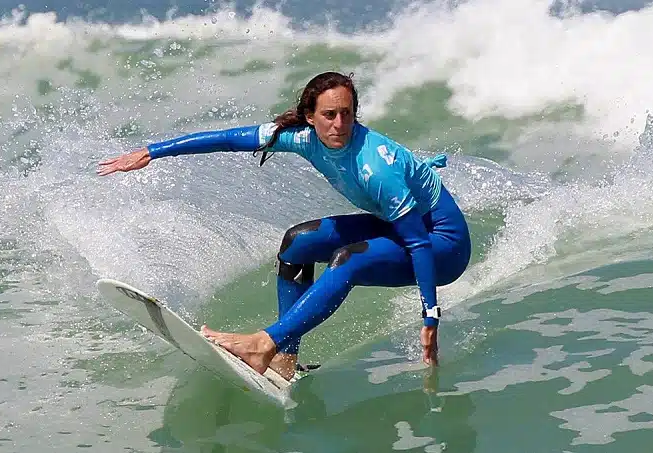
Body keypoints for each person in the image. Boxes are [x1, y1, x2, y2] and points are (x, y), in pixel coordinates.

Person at [97, 72, 471, 381]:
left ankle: (263, 344)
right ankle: (284, 360)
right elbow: (229, 139)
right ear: (310, 116)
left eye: (346, 114)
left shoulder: (377, 168)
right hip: (397, 229)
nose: (339, 124)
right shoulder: (302, 139)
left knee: (347, 259)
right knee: (297, 243)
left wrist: (430, 316)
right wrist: (152, 152)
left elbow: (419, 245)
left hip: (442, 246)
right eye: (329, 115)